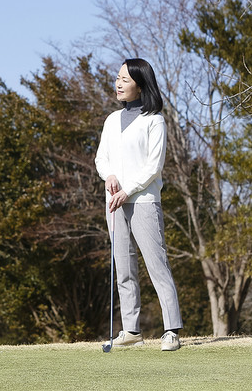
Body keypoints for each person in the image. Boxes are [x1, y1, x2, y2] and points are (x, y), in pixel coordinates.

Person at [94, 58, 183, 351]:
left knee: (157, 265)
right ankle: (131, 330)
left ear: (140, 85)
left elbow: (153, 167)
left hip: (144, 201)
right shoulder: (110, 120)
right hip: (114, 204)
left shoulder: (154, 120)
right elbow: (101, 158)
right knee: (124, 266)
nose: (118, 84)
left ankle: (171, 330)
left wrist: (127, 190)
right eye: (118, 78)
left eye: (125, 80)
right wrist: (108, 177)